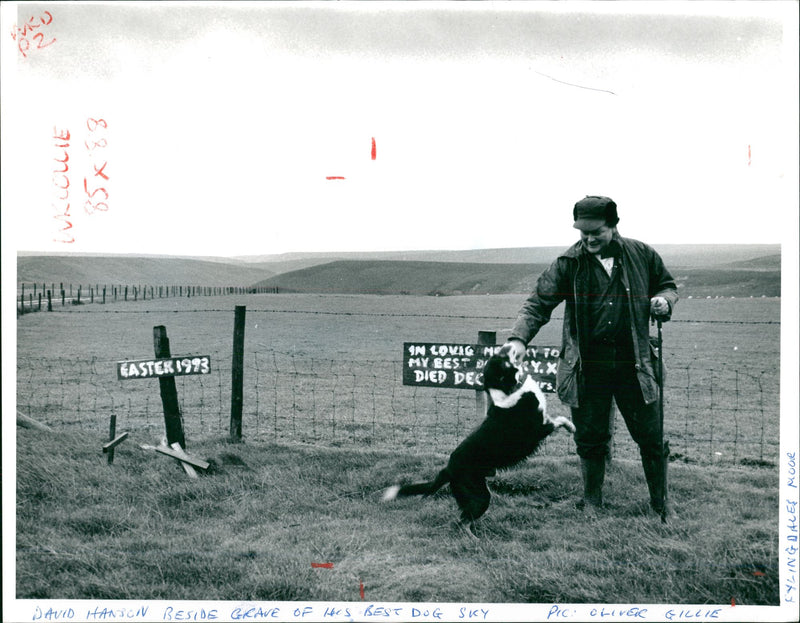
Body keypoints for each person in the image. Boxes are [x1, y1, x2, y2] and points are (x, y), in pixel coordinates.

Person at [505, 195, 678, 515]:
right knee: (590, 438)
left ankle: (661, 505)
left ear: (613, 226)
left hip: (635, 364)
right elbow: (537, 304)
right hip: (588, 366)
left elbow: (667, 285)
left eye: (595, 231)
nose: (588, 238)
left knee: (651, 438)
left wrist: (664, 301)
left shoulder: (642, 254)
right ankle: (592, 504)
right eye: (582, 232)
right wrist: (519, 339)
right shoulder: (569, 263)